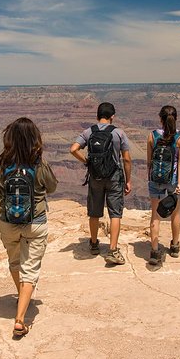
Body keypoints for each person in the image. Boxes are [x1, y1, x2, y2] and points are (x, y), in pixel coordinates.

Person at [0, 117, 58, 337]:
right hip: (35, 222)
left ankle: (22, 297)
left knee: (15, 262)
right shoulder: (38, 162)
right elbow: (52, 187)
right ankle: (20, 319)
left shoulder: (2, 163)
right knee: (30, 270)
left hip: (7, 221)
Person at [70, 102, 132, 265]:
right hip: (114, 177)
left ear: (97, 115)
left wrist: (87, 162)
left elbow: (73, 149)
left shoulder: (89, 132)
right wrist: (128, 179)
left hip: (95, 176)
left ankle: (94, 243)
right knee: (115, 213)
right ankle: (112, 249)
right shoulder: (119, 133)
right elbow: (126, 158)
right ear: (112, 116)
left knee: (94, 212)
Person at [146, 105, 180, 264]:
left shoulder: (152, 136)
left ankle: (155, 252)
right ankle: (175, 246)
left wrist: (150, 179)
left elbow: (149, 161)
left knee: (155, 216)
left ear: (160, 119)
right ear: (175, 119)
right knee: (175, 213)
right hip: (173, 180)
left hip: (156, 180)